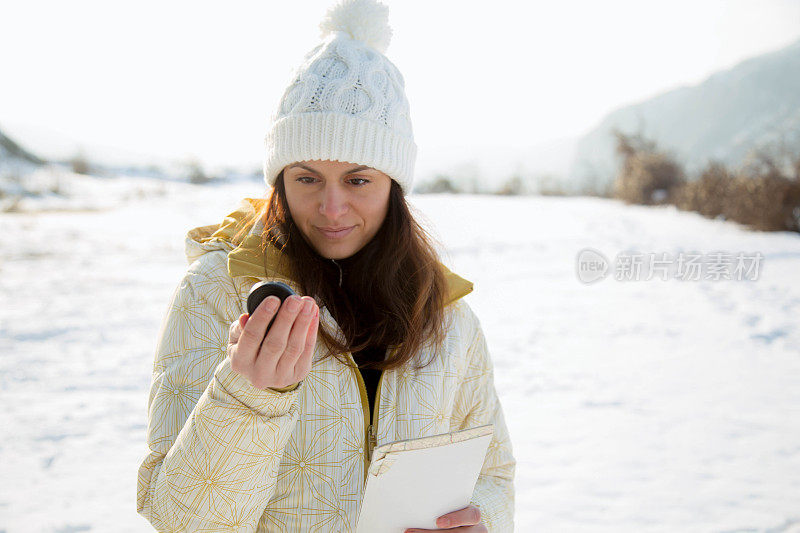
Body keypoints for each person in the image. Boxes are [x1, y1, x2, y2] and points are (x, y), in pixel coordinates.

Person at [136, 1, 515, 531]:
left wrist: (485, 522)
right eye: (307, 178)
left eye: (358, 180)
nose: (331, 208)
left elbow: (493, 474)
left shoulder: (446, 316)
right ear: (279, 180)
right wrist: (248, 397)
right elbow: (182, 519)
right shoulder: (215, 294)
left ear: (394, 186)